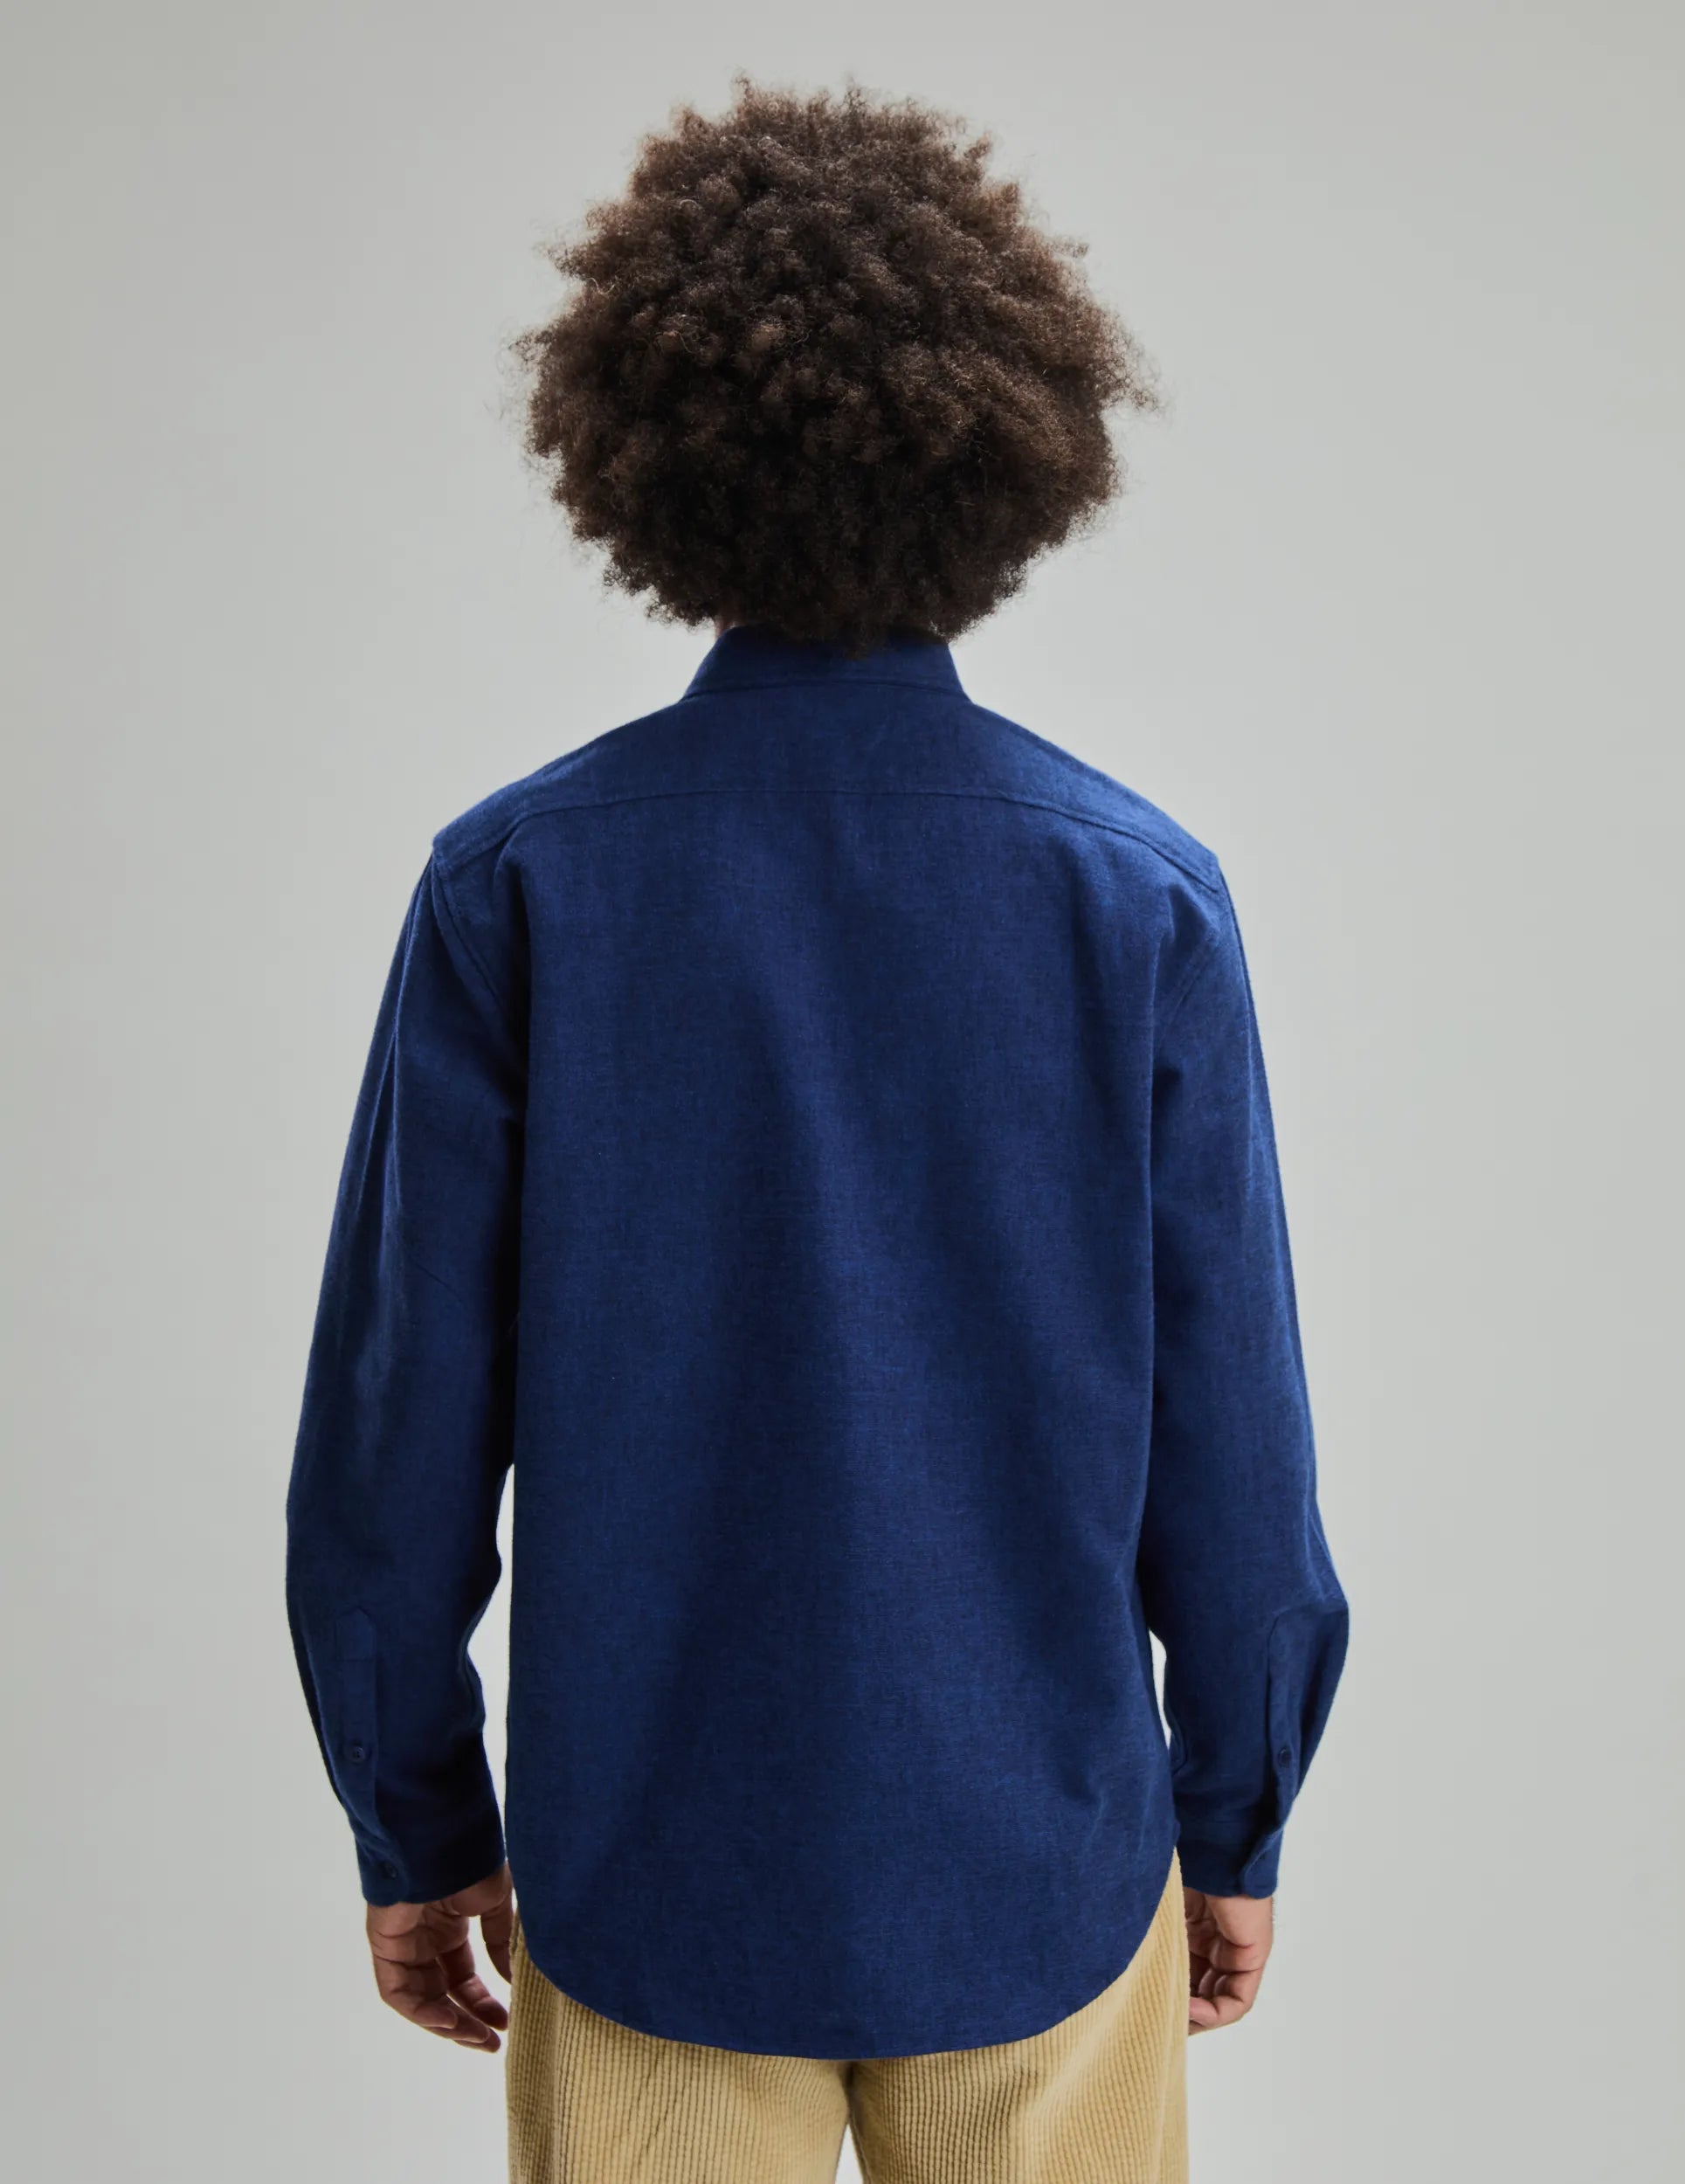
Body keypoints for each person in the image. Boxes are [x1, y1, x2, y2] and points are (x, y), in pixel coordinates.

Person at [286, 74, 1349, 2184]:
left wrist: (415, 1820)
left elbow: (397, 1425)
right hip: (1044, 1877)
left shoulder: (521, 884)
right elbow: (1236, 1427)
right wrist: (1233, 1809)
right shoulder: (1136, 897)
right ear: (1004, 452)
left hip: (649, 1873)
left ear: (646, 456)